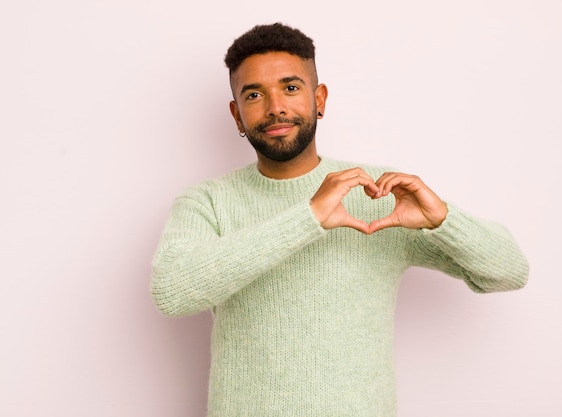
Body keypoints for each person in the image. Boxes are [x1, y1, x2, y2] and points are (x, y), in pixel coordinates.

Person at [151, 22, 529, 417]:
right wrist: (308, 216)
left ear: (320, 99)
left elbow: (509, 272)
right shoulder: (208, 201)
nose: (275, 106)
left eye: (291, 88)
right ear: (237, 115)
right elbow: (172, 293)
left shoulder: (376, 194)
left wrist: (444, 222)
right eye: (254, 94)